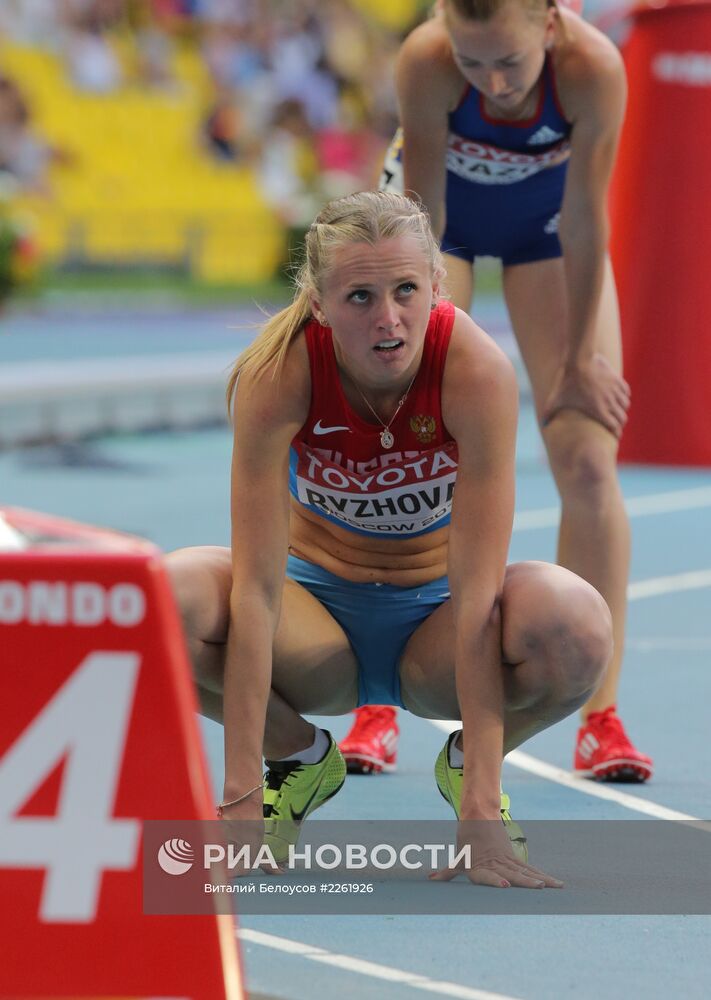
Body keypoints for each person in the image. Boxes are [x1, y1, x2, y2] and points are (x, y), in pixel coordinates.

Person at [167, 189, 613, 887]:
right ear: (317, 303)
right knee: (164, 600)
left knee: (576, 623)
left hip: (436, 628)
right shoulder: (277, 375)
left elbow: (477, 598)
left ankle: (470, 766)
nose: (388, 320)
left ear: (437, 285)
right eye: (359, 298)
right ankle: (301, 756)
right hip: (312, 625)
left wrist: (478, 815)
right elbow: (255, 592)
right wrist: (239, 796)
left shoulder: (475, 373)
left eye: (406, 290)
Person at [358, 0, 652, 783]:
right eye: (472, 62)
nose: (491, 82)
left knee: (587, 457)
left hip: (546, 235)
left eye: (508, 65)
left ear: (549, 27)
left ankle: (601, 716)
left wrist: (581, 358)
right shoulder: (426, 60)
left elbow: (586, 217)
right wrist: (421, 372)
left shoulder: (592, 69)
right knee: (400, 440)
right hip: (437, 230)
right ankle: (374, 701)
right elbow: (419, 226)